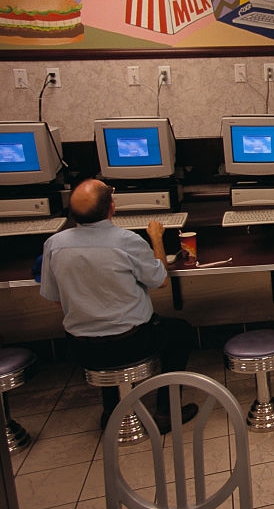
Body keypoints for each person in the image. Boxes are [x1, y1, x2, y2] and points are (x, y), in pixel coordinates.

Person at [39, 178, 197, 433]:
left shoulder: (54, 245)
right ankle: (166, 412)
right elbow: (160, 280)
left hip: (80, 348)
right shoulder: (127, 241)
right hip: (132, 343)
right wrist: (156, 238)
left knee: (104, 339)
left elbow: (56, 298)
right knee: (181, 332)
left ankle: (112, 411)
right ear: (111, 208)